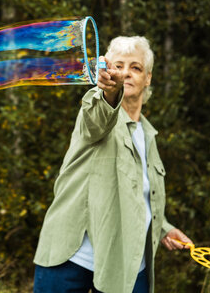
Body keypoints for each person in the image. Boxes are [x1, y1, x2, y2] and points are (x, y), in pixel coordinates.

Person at [33, 36, 192, 293]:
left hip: (125, 268)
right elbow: (98, 117)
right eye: (118, 66)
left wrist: (163, 228)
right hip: (70, 260)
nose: (126, 73)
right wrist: (109, 92)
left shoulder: (148, 135)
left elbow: (137, 196)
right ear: (107, 71)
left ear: (148, 78)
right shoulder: (97, 110)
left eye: (136, 67)